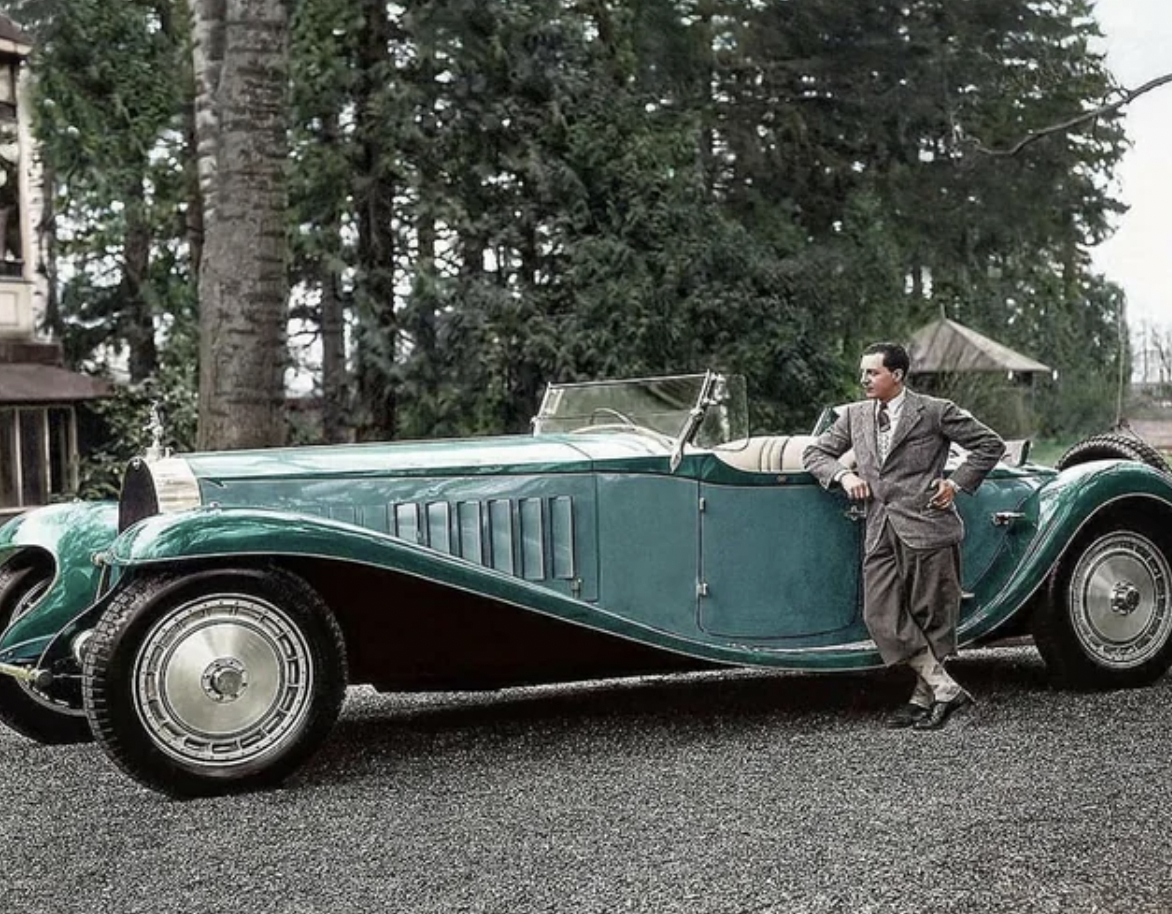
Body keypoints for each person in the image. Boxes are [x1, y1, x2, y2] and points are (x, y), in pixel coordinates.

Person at [802, 342, 1005, 730]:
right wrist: (844, 475)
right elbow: (815, 454)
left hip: (929, 524)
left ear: (897, 375)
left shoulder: (934, 411)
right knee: (879, 614)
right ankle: (945, 687)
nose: (864, 379)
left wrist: (955, 485)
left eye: (873, 373)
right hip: (879, 527)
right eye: (862, 373)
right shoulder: (854, 416)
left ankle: (922, 699)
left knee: (932, 615)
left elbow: (988, 444)